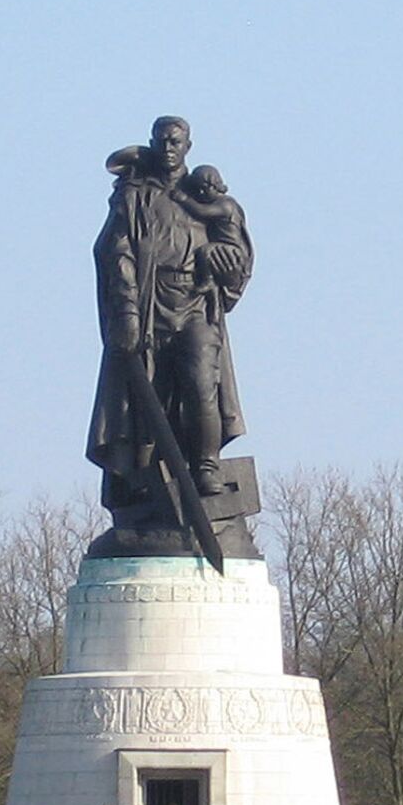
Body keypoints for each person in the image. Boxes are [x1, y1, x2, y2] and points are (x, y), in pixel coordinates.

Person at [86, 116, 254, 511]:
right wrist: (126, 310)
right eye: (162, 141)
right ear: (153, 143)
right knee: (143, 397)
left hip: (194, 302)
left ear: (188, 146)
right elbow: (116, 250)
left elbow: (238, 253)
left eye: (176, 142)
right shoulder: (133, 194)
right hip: (146, 306)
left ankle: (206, 465)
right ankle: (143, 482)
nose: (169, 148)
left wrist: (227, 264)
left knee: (201, 383)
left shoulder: (205, 196)